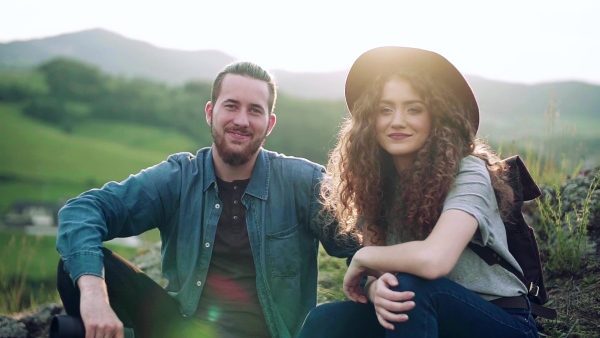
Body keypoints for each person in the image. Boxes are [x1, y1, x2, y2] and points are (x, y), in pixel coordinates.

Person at [55, 61, 356, 338]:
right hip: (181, 329)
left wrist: (372, 280)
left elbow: (359, 241)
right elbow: (83, 211)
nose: (241, 120)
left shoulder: (302, 181)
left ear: (270, 123)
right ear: (210, 112)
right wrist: (95, 296)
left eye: (254, 110)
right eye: (231, 106)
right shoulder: (178, 178)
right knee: (77, 268)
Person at [299, 46, 539, 337]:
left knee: (411, 291)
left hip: (499, 318)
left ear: (436, 117)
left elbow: (433, 260)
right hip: (422, 314)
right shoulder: (374, 180)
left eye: (414, 109)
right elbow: (378, 271)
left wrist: (363, 259)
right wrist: (375, 290)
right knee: (326, 320)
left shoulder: (468, 172)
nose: (397, 120)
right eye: (385, 109)